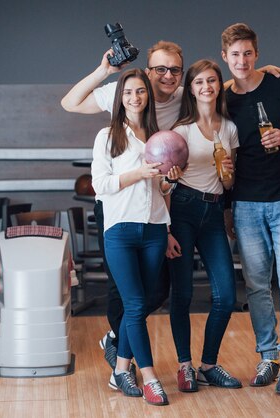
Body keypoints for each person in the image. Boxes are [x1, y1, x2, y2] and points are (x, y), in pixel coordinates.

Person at [61, 40, 280, 376]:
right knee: (127, 289)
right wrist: (105, 70)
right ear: (147, 72)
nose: (168, 76)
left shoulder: (186, 95)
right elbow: (70, 103)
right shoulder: (126, 92)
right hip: (124, 208)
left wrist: (271, 72)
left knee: (159, 289)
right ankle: (122, 350)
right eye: (160, 69)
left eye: (175, 70)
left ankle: (132, 343)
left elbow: (212, 84)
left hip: (161, 205)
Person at [220, 23, 280, 396]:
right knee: (257, 287)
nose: (242, 61)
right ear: (225, 58)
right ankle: (267, 356)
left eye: (247, 53)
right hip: (245, 203)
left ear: (257, 53)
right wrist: (228, 208)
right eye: (235, 55)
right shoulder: (223, 97)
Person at [91, 68, 172, 405]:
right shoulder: (107, 136)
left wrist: (170, 179)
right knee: (135, 304)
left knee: (141, 303)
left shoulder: (158, 135)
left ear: (147, 96)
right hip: (120, 229)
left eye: (140, 92)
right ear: (119, 98)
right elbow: (101, 185)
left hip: (154, 228)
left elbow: (161, 188)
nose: (135, 98)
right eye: (128, 93)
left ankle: (121, 369)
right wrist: (138, 173)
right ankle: (150, 377)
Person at [163, 59, 241, 392]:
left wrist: (228, 173)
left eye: (212, 81)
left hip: (213, 212)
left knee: (226, 294)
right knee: (181, 295)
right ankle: (185, 366)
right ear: (191, 90)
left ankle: (208, 363)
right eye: (199, 82)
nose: (206, 87)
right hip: (182, 208)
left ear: (218, 86)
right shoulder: (180, 131)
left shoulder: (229, 128)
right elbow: (165, 185)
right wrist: (166, 230)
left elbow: (228, 182)